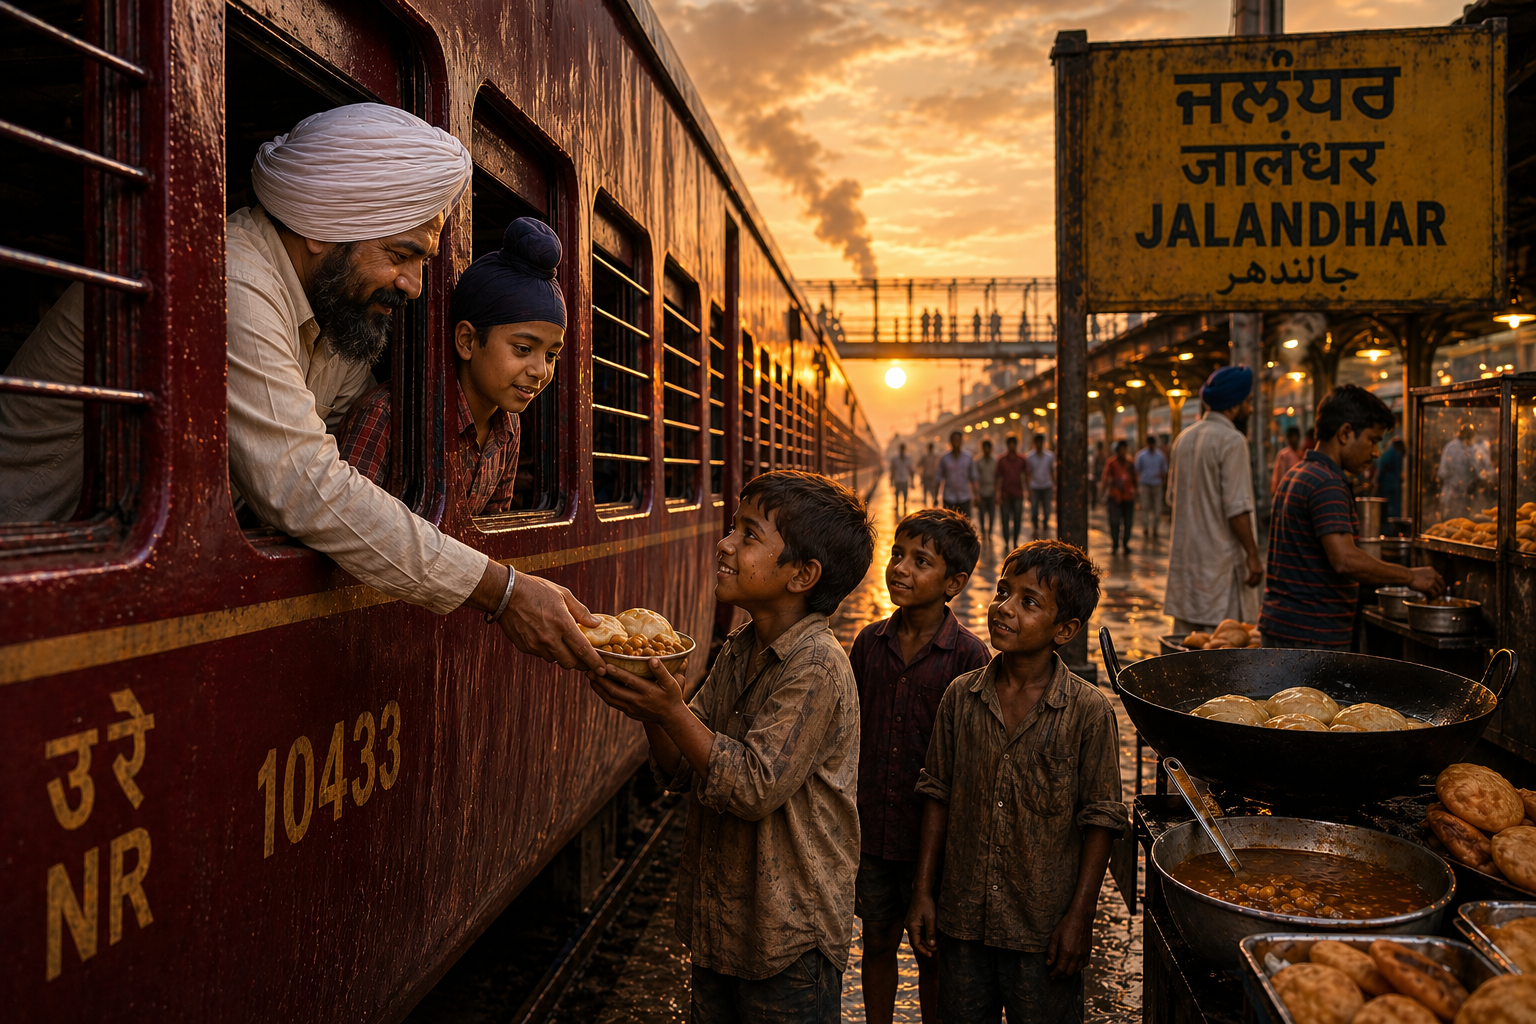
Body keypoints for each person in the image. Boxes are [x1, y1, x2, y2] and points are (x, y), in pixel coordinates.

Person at [0, 103, 603, 670]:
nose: (416, 286)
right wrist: (501, 591)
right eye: (402, 254)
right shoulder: (228, 275)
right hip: (27, 568)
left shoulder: (331, 317)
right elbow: (304, 482)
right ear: (322, 228)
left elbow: (351, 447)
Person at [585, 470, 875, 1023]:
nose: (725, 543)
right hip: (725, 927)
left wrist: (668, 710)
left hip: (788, 943)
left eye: (748, 535)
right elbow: (681, 769)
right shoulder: (744, 646)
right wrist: (651, 704)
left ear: (802, 575)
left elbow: (750, 787)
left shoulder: (815, 666)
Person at [907, 541, 1126, 1024]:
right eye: (1003, 592)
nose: (1004, 608)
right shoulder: (961, 698)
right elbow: (936, 795)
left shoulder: (1088, 712)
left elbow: (1103, 821)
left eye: (1029, 602)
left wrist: (1080, 918)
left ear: (1064, 630)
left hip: (1042, 933)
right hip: (962, 924)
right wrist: (924, 892)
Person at [851, 509, 989, 1024]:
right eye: (897, 554)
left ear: (954, 583)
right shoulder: (868, 644)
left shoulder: (968, 657)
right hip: (873, 830)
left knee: (932, 949)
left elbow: (972, 758)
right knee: (877, 939)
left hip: (936, 839)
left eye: (920, 562)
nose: (900, 569)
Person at [337, 217, 563, 514]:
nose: (540, 371)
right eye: (523, 349)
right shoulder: (386, 415)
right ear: (468, 341)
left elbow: (492, 531)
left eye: (551, 355)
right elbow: (346, 525)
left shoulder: (509, 428)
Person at [1261, 387, 1444, 650]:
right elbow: (1345, 560)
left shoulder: (1298, 473)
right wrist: (1409, 576)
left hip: (1283, 629)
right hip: (1311, 638)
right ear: (1345, 433)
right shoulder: (1327, 482)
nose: (1376, 452)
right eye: (1372, 440)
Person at [1163, 366, 1265, 636]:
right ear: (1235, 404)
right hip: (1220, 575)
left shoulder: (1182, 439)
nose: (1251, 409)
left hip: (1186, 575)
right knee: (1223, 649)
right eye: (1248, 402)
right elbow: (1237, 509)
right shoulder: (1233, 441)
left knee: (1187, 654)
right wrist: (1254, 556)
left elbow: (1172, 499)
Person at [1100, 439, 1136, 555]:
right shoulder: (1111, 463)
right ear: (1117, 450)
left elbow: (1135, 478)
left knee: (1128, 523)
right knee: (1114, 522)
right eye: (1121, 449)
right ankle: (1115, 543)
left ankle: (1125, 543)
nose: (1123, 451)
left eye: (1125, 449)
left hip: (1128, 497)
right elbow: (1106, 478)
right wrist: (1103, 491)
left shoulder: (1130, 463)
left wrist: (1136, 490)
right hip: (1114, 497)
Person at [1133, 434, 1168, 542]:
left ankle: (1155, 527)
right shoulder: (1142, 455)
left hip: (1156, 484)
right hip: (1145, 483)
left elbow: (1165, 470)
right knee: (1145, 507)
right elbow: (1137, 469)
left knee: (1157, 507)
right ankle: (1146, 527)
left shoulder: (1160, 456)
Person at [938, 431, 979, 517]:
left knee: (965, 524)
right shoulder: (944, 459)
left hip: (965, 497)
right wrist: (936, 496)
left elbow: (974, 478)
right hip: (949, 498)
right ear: (950, 442)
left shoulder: (968, 457)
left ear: (961, 441)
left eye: (958, 440)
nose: (956, 443)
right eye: (954, 440)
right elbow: (938, 478)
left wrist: (976, 495)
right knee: (949, 524)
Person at [1025, 433, 1056, 537]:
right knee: (1034, 509)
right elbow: (1028, 473)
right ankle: (1036, 526)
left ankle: (1045, 523)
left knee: (1047, 508)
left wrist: (1054, 485)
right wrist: (1028, 489)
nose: (1039, 444)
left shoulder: (1049, 456)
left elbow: (1052, 471)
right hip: (1034, 486)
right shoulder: (1029, 457)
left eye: (1041, 442)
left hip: (1047, 485)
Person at [998, 434, 1026, 549]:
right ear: (1007, 445)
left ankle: (1015, 540)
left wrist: (1027, 491)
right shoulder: (1002, 460)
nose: (1012, 446)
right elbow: (999, 477)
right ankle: (1006, 541)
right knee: (1004, 519)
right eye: (1010, 444)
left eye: (1013, 444)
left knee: (1017, 519)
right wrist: (998, 494)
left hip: (1018, 494)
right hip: (1005, 494)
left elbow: (1025, 475)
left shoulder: (1022, 460)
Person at [1377, 436, 1406, 520]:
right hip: (1392, 484)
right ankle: (1393, 525)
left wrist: (1379, 482)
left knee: (1389, 507)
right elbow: (1397, 470)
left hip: (1387, 484)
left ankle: (1390, 524)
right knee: (1394, 507)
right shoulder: (1395, 453)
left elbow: (1381, 470)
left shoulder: (1387, 453)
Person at [1270, 425, 1304, 498]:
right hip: (1286, 493)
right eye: (1292, 437)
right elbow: (1279, 475)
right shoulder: (1284, 455)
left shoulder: (1302, 453)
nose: (1294, 439)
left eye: (1296, 436)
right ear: (1288, 438)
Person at [975, 439, 998, 541]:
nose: (987, 450)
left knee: (992, 513)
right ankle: (984, 531)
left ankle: (990, 531)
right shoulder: (978, 461)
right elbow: (976, 477)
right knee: (982, 513)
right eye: (985, 448)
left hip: (992, 490)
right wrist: (976, 493)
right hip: (981, 490)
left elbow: (998, 477)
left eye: (988, 448)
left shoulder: (995, 461)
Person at [890, 442, 915, 517]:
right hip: (898, 479)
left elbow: (911, 470)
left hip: (905, 479)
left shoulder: (908, 458)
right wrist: (891, 479)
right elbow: (893, 469)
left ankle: (904, 505)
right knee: (897, 493)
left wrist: (912, 481)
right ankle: (897, 505)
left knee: (905, 493)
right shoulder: (895, 458)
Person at [920, 442, 941, 508]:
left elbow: (919, 464)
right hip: (930, 476)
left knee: (928, 491)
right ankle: (929, 506)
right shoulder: (934, 456)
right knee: (930, 491)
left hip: (930, 476)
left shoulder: (927, 456)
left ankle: (929, 505)